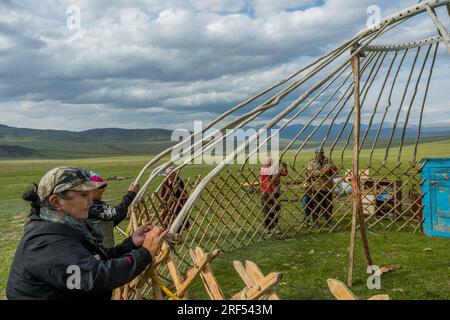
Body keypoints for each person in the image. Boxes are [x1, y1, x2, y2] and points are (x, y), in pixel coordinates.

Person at [6, 166, 166, 300]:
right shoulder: (47, 242)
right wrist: (145, 253)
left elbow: (94, 260)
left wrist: (131, 243)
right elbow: (96, 276)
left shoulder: (64, 226)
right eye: (83, 195)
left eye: (90, 194)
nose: (90, 201)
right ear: (56, 202)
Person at [88, 172, 140, 248]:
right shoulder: (91, 207)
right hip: (96, 250)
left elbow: (114, 219)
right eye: (100, 188)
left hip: (106, 248)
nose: (103, 190)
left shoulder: (98, 205)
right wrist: (130, 194)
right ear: (90, 190)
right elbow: (116, 214)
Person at [304, 148, 338, 227]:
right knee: (316, 205)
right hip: (317, 187)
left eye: (321, 153)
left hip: (328, 187)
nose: (320, 155)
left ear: (323, 153)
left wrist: (333, 171)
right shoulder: (312, 162)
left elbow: (335, 170)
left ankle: (328, 222)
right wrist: (322, 172)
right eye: (318, 153)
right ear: (315, 153)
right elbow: (310, 172)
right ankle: (315, 222)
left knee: (328, 206)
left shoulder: (329, 161)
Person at [260, 157, 288, 234]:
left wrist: (285, 167)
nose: (268, 165)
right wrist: (278, 170)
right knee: (267, 210)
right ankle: (267, 227)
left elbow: (285, 173)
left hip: (275, 193)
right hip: (266, 193)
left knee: (276, 209)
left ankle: (274, 227)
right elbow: (271, 179)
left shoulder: (275, 169)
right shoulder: (264, 169)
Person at [160, 166, 189, 231]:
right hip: (167, 202)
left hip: (176, 202)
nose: (168, 175)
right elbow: (163, 192)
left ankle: (177, 232)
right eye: (167, 174)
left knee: (176, 218)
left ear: (174, 174)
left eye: (170, 174)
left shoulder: (178, 181)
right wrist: (163, 199)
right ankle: (167, 230)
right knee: (165, 218)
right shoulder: (166, 181)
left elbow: (183, 193)